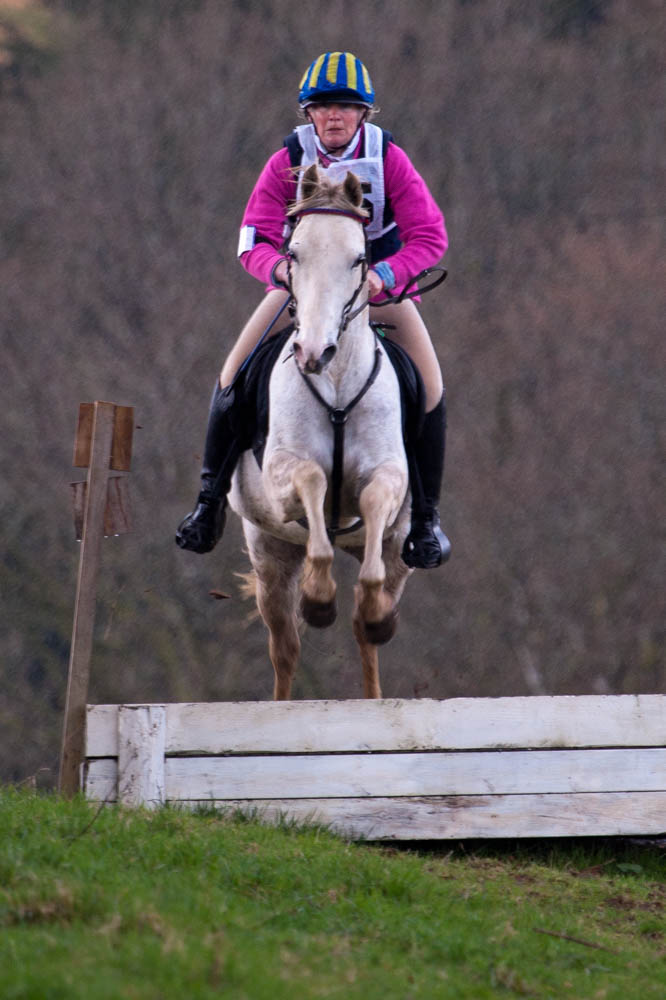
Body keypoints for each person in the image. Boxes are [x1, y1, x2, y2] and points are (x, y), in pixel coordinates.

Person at [176, 51, 451, 569]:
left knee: (431, 388)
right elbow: (252, 238)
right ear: (307, 113)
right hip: (300, 290)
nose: (334, 117)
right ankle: (208, 503)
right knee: (233, 372)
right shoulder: (286, 160)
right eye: (322, 107)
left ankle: (427, 520)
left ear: (364, 114)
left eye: (346, 107)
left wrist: (384, 276)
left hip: (377, 290)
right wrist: (279, 272)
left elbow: (430, 235)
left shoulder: (389, 158)